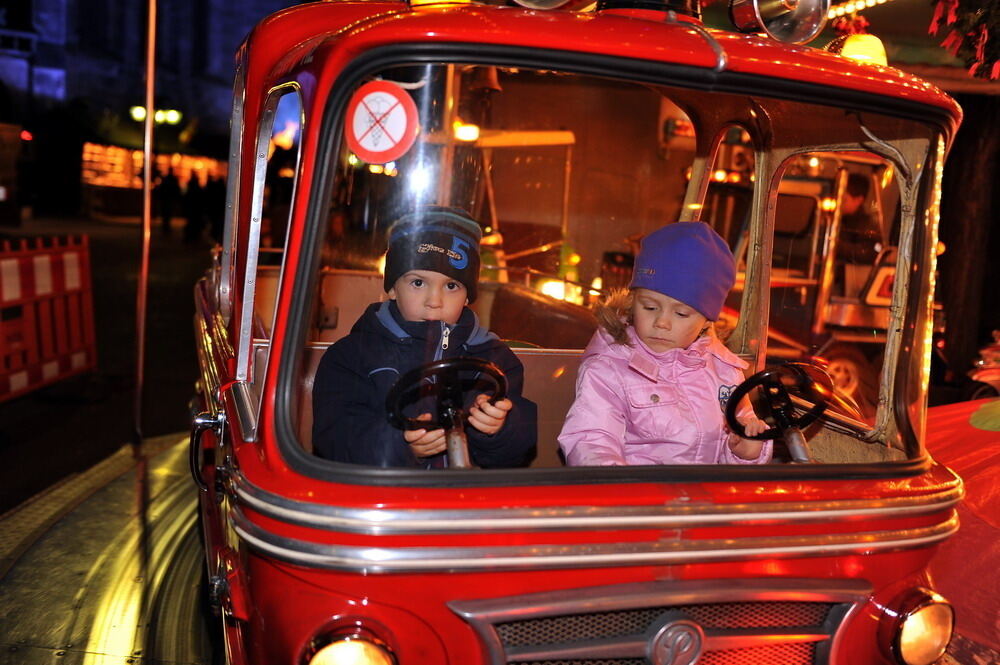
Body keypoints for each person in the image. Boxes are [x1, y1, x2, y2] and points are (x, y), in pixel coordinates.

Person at [312, 206, 537, 468]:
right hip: (381, 498)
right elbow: (335, 439)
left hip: (464, 501)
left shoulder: (494, 360)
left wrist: (498, 428)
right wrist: (401, 447)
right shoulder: (351, 356)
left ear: (467, 297)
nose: (434, 301)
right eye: (418, 283)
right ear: (393, 288)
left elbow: (515, 451)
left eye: (451, 286)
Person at [558, 221, 771, 466]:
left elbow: (736, 438)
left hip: (705, 500)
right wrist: (625, 494)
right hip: (641, 499)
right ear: (633, 300)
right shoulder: (609, 368)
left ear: (706, 321)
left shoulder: (724, 371)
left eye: (681, 314)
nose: (662, 322)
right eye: (649, 307)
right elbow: (592, 440)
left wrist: (744, 452)